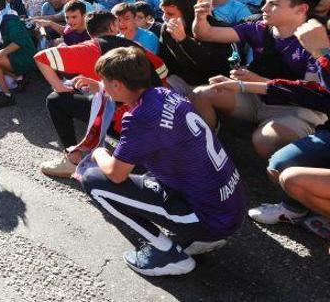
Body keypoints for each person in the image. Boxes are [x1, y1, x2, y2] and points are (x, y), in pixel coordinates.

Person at [79, 47, 246, 276]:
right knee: (143, 167)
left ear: (117, 85)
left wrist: (97, 152)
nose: (103, 86)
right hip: (230, 206)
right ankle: (197, 236)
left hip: (209, 218)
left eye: (104, 81)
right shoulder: (163, 93)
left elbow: (116, 173)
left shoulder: (139, 118)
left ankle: (167, 254)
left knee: (94, 180)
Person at [191, 0, 326, 158]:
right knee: (201, 94)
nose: (264, 8)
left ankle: (292, 172)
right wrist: (200, 17)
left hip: (296, 108)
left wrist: (248, 82)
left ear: (301, 9)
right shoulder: (259, 27)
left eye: (274, 4)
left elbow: (310, 92)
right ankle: (208, 152)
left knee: (265, 141)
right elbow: (205, 34)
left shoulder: (317, 41)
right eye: (266, 1)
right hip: (256, 96)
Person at [34, 11, 169, 177]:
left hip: (128, 121)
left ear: (89, 30)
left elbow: (41, 56)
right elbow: (162, 70)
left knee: (56, 99)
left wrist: (60, 88)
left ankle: (73, 160)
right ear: (113, 26)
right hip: (161, 117)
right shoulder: (134, 46)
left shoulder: (91, 48)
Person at [156, 0, 232, 97]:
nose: (165, 18)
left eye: (170, 14)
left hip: (213, 85)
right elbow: (165, 60)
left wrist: (184, 40)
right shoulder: (167, 29)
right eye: (164, 12)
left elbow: (214, 67)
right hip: (182, 81)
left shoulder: (217, 29)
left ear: (187, 12)